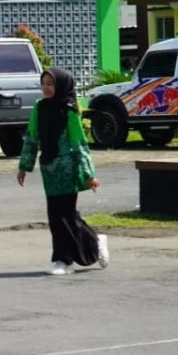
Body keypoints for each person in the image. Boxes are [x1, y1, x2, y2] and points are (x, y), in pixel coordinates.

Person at [16, 67, 110, 276]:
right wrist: (24, 166)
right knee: (56, 215)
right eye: (44, 83)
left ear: (60, 86)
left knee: (65, 215)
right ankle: (93, 241)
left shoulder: (69, 110)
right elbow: (32, 138)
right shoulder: (39, 108)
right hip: (49, 170)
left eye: (51, 84)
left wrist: (89, 174)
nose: (46, 88)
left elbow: (79, 143)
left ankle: (63, 260)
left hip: (68, 168)